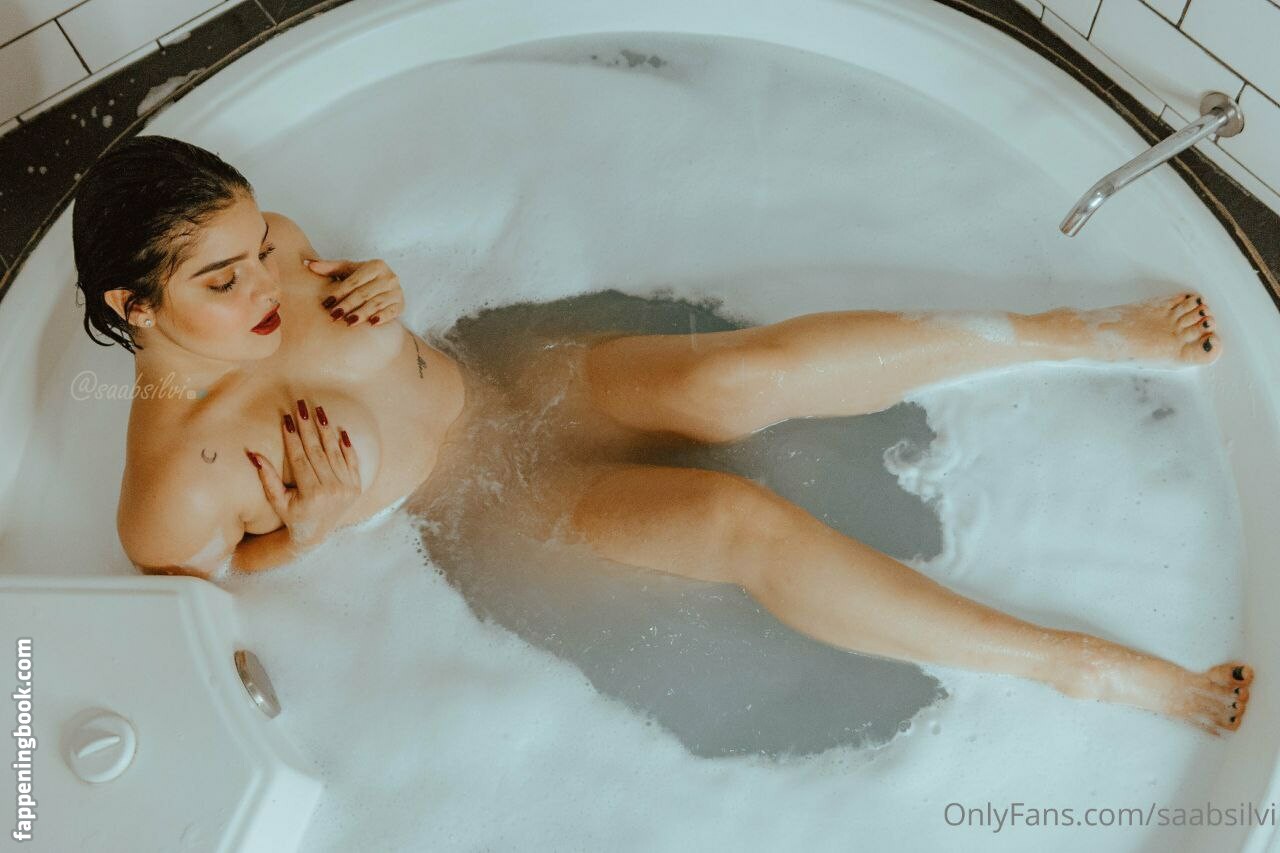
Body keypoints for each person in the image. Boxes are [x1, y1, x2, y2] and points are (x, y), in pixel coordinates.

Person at [72, 134, 1251, 735]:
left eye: (257, 248)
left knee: (737, 376)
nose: (265, 281)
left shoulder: (268, 247)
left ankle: (1070, 332)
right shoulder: (172, 491)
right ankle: (1073, 666)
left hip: (504, 379)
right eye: (223, 280)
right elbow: (218, 606)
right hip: (488, 511)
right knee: (732, 519)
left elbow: (328, 285)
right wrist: (315, 525)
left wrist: (379, 286)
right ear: (135, 306)